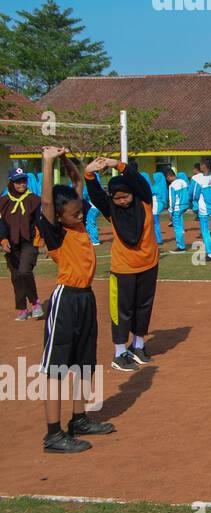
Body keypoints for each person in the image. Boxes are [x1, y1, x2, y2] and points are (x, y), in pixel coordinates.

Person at [35, 146, 116, 453]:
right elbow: (46, 201)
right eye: (74, 212)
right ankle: (53, 434)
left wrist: (67, 158)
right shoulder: (55, 232)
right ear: (58, 216)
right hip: (66, 299)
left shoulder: (77, 222)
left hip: (85, 298)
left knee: (84, 363)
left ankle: (79, 419)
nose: (80, 214)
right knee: (56, 367)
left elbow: (77, 179)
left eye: (80, 210)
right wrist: (47, 161)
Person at [83, 157, 160, 374]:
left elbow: (140, 182)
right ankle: (119, 353)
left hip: (149, 264)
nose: (122, 201)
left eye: (125, 196)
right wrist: (89, 173)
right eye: (116, 198)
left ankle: (138, 346)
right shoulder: (111, 210)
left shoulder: (144, 201)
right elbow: (97, 195)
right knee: (122, 311)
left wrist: (116, 164)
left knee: (143, 307)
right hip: (123, 269)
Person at [0, 168, 43, 320]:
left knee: (25, 271)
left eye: (24, 180)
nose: (22, 184)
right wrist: (3, 239)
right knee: (16, 276)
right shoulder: (4, 201)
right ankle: (22, 308)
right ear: (11, 183)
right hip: (12, 245)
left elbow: (40, 221)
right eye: (18, 181)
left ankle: (35, 302)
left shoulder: (34, 200)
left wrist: (43, 239)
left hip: (28, 243)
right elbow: (2, 223)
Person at [191, 160, 211, 262]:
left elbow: (194, 194)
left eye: (201, 165)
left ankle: (210, 254)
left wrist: (195, 206)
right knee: (206, 231)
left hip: (203, 208)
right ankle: (210, 253)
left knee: (205, 232)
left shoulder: (198, 179)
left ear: (204, 167)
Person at [165, 166, 190, 253]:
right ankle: (181, 245)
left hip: (177, 207)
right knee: (179, 224)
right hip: (185, 205)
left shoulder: (172, 186)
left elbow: (172, 200)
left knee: (177, 228)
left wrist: (170, 212)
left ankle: (181, 247)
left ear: (169, 176)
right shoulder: (183, 181)